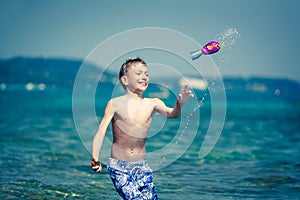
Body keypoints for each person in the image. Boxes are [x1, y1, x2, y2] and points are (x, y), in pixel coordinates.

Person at [91, 57, 193, 200]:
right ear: (125, 80)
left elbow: (173, 114)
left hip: (142, 166)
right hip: (119, 167)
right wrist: (95, 156)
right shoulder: (115, 104)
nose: (144, 77)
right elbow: (101, 131)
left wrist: (179, 104)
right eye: (139, 73)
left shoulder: (153, 103)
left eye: (146, 74)